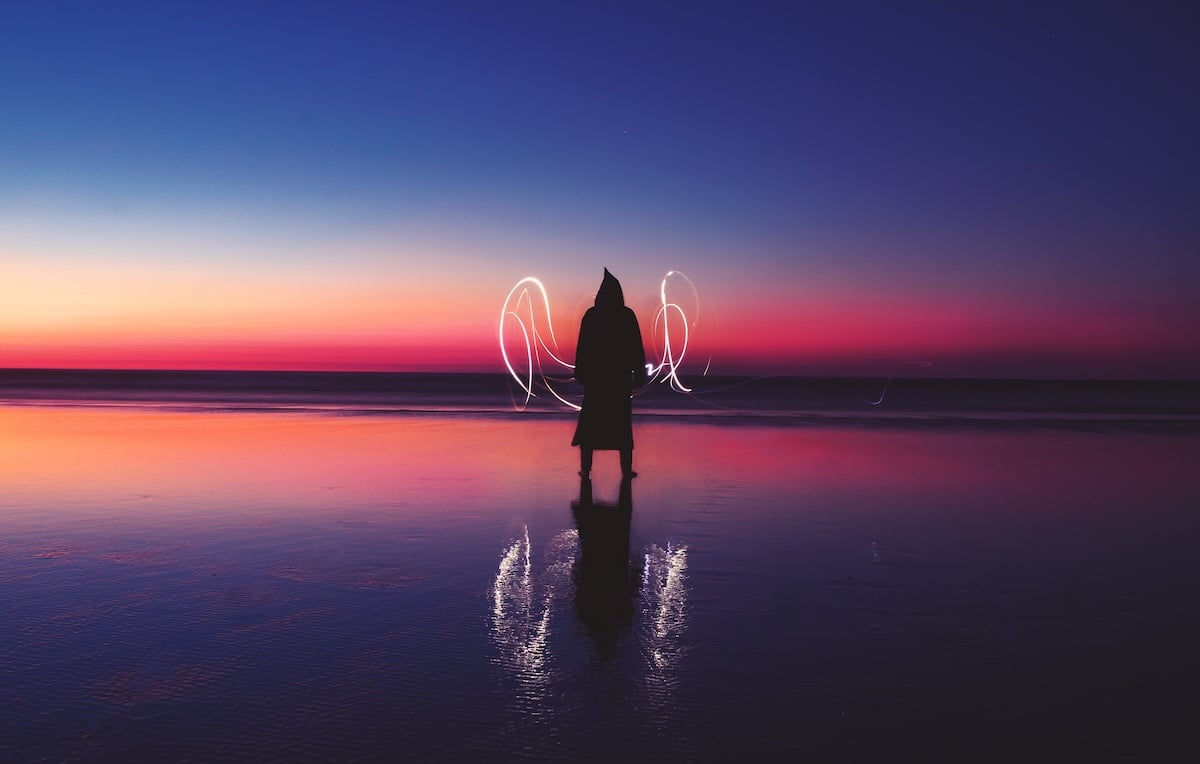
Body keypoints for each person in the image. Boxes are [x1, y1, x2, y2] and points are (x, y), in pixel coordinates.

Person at [571, 268, 647, 477]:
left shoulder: (592, 316)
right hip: (618, 378)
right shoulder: (626, 315)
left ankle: (586, 469)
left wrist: (581, 371)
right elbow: (635, 347)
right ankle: (626, 470)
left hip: (597, 378)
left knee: (591, 425)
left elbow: (583, 347)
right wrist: (639, 373)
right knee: (620, 426)